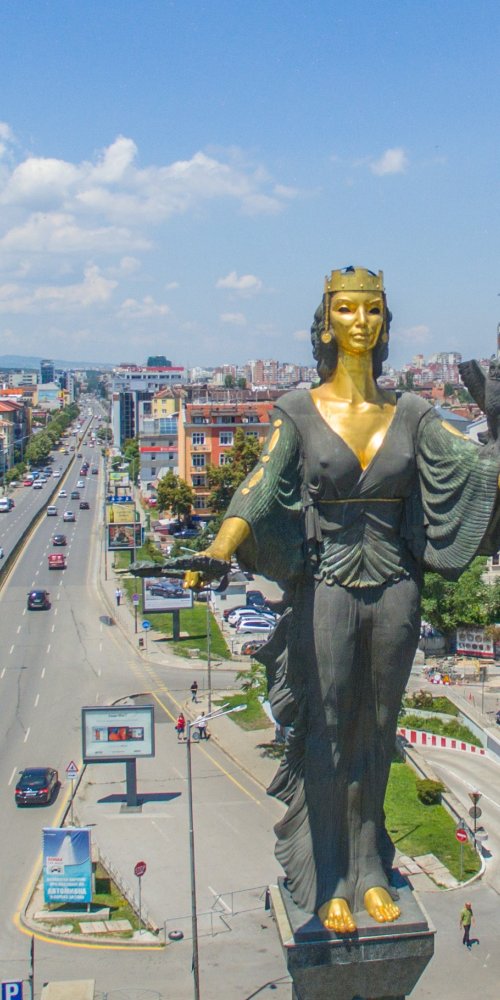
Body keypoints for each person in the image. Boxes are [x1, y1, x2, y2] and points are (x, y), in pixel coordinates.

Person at [184, 266, 500, 933]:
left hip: (396, 585)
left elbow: (476, 469)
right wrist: (220, 548)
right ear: (327, 323)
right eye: (348, 311)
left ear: (385, 322)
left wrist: (498, 421)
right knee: (326, 733)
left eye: (373, 311)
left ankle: (369, 867)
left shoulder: (412, 413)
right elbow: (261, 482)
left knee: (378, 730)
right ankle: (328, 875)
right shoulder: (298, 409)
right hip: (327, 581)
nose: (361, 322)